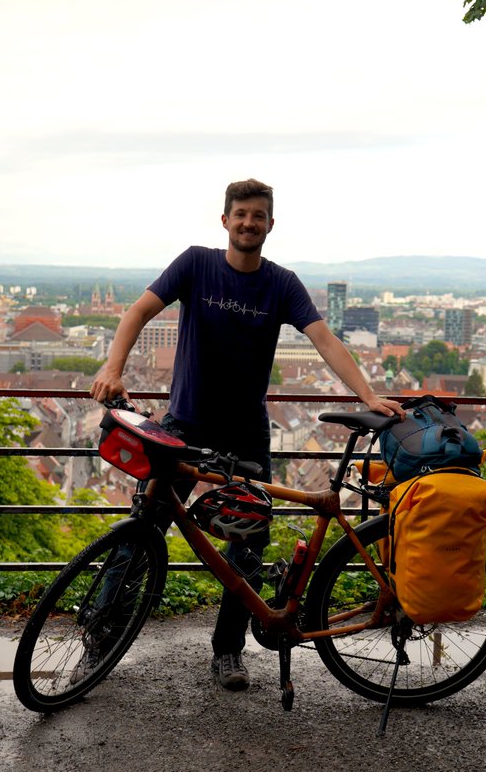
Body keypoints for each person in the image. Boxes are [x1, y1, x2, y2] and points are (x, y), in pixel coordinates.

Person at [89, 178, 403, 691]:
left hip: (246, 433)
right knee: (141, 531)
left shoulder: (281, 283)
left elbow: (324, 339)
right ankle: (99, 640)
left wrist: (367, 396)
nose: (248, 223)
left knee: (250, 542)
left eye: (258, 216)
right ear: (225, 220)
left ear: (269, 225)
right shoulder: (196, 263)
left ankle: (228, 652)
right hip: (185, 424)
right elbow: (139, 311)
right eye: (241, 214)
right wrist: (113, 367)